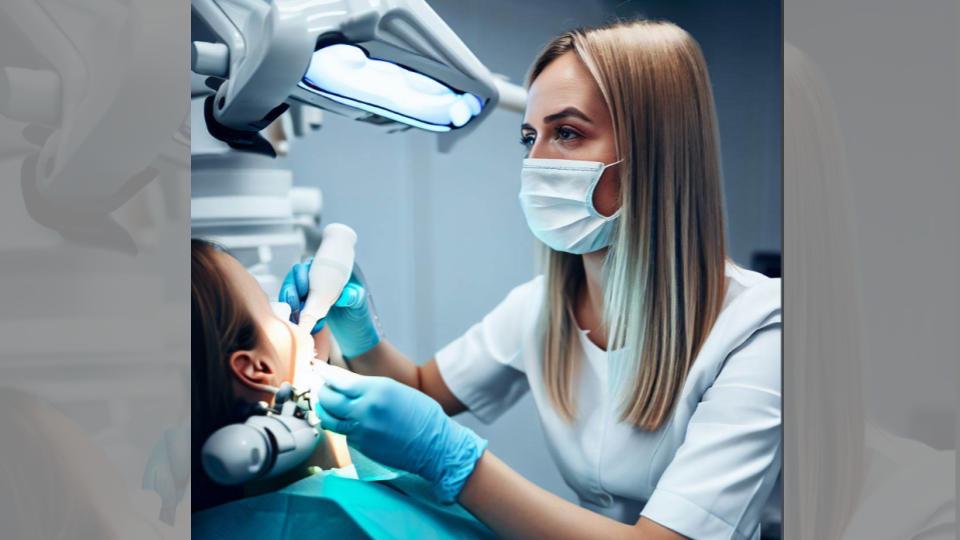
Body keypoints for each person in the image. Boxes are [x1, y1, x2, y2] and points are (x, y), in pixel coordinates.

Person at [282, 20, 782, 539]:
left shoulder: (759, 327)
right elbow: (422, 390)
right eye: (529, 137)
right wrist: (359, 329)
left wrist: (454, 461)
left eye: (567, 133)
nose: (535, 162)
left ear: (655, 151)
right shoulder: (544, 306)